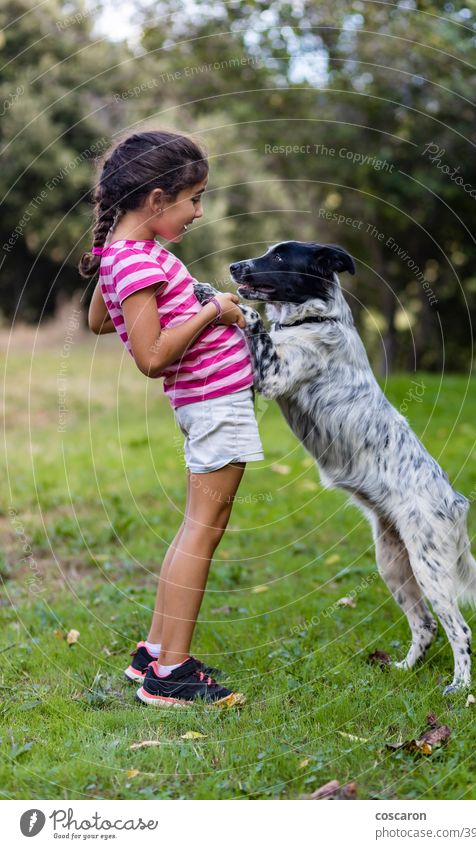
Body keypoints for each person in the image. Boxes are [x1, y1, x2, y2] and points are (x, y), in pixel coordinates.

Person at [79, 129, 263, 708]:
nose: (200, 211)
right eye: (194, 197)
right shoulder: (137, 260)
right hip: (214, 404)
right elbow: (152, 357)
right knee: (203, 532)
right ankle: (172, 673)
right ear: (157, 199)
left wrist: (114, 259)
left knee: (194, 526)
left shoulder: (130, 256)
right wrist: (213, 311)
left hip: (210, 403)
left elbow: (100, 321)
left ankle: (153, 652)